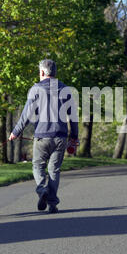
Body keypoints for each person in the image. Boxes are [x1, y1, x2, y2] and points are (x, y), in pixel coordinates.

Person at [8, 59, 79, 214]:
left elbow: (26, 115)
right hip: (60, 137)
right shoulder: (65, 89)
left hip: (42, 137)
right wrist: (74, 136)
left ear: (41, 72)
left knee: (38, 166)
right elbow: (73, 116)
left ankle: (42, 190)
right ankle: (52, 204)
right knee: (54, 170)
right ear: (55, 72)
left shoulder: (36, 89)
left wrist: (15, 132)